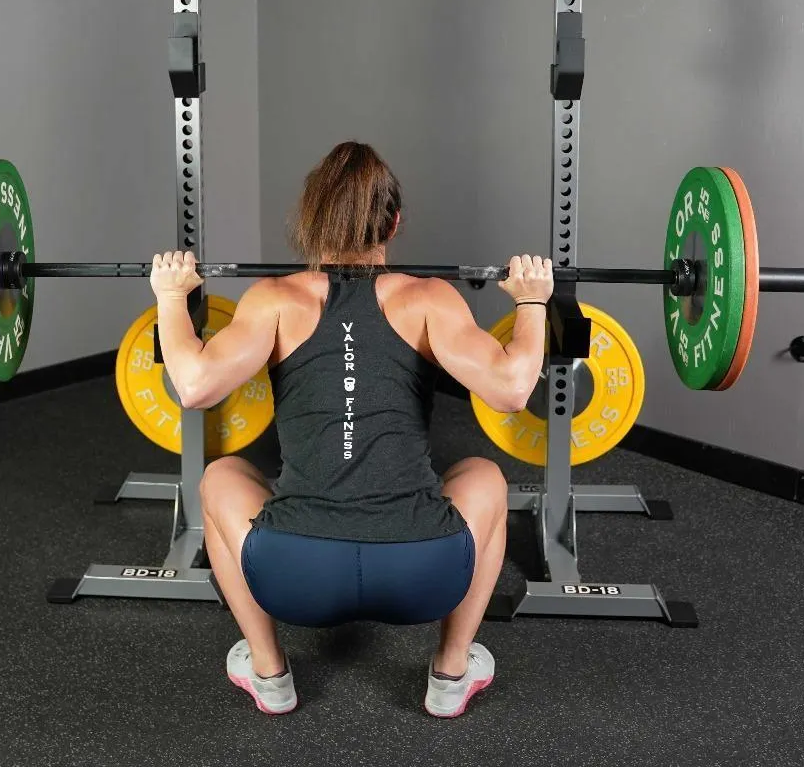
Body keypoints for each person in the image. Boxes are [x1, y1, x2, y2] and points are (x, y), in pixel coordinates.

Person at [149, 141, 552, 717]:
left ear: (311, 219)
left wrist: (170, 297)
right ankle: (450, 673)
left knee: (219, 477)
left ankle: (270, 674)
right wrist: (533, 301)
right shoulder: (430, 299)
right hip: (426, 575)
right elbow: (513, 390)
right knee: (484, 476)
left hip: (292, 577)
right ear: (394, 222)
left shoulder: (273, 300)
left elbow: (192, 385)